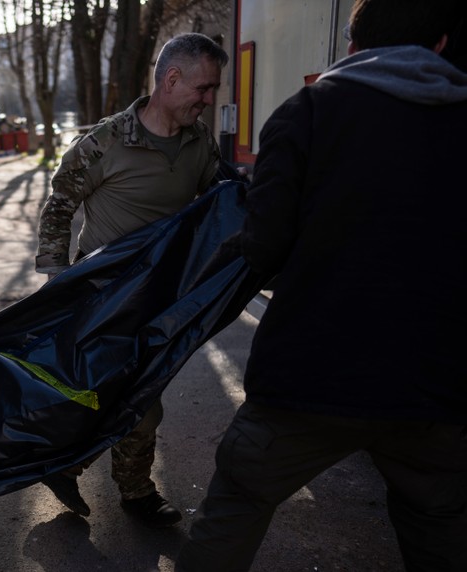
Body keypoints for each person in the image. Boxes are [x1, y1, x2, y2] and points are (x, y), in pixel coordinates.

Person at [176, 1, 467, 569]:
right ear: (439, 45)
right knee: (439, 525)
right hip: (436, 383)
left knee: (238, 504)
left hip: (310, 372)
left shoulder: (307, 112)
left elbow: (264, 248)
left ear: (351, 45)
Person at [34, 32, 229, 527]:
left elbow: (214, 203)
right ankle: (135, 492)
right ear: (171, 79)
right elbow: (59, 205)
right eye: (203, 89)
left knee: (137, 391)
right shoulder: (106, 142)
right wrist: (58, 278)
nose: (209, 101)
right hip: (105, 295)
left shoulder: (198, 141)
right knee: (133, 398)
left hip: (163, 296)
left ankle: (70, 464)